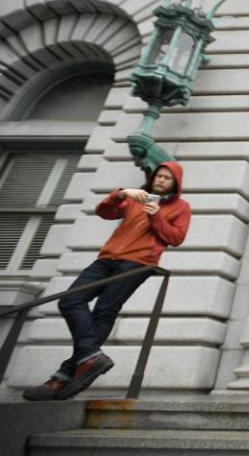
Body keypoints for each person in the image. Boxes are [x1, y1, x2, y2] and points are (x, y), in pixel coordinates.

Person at [23, 161, 191, 401]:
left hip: (137, 264)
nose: (161, 180)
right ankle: (89, 357)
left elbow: (176, 238)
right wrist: (121, 193)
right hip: (106, 259)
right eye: (159, 176)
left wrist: (157, 218)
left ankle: (60, 378)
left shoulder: (181, 207)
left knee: (104, 311)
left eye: (167, 178)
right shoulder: (136, 197)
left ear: (176, 183)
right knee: (70, 301)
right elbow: (104, 212)